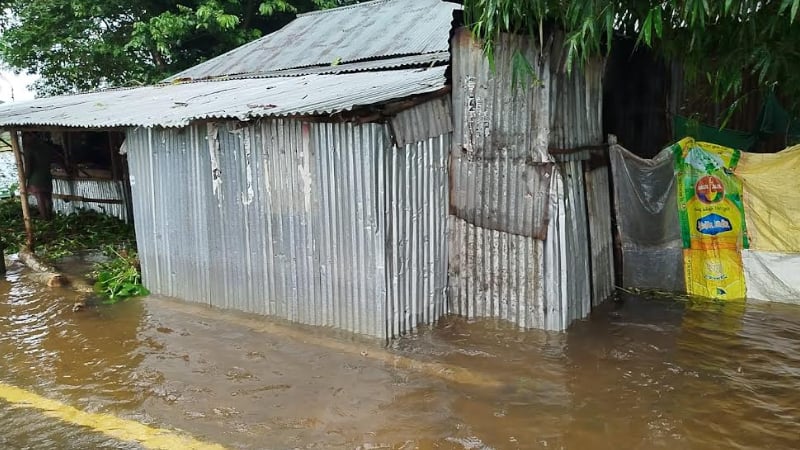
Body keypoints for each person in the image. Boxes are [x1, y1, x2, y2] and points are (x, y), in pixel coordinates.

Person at [21, 132, 55, 220]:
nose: (24, 139)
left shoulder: (29, 150)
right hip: (47, 177)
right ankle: (49, 217)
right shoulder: (46, 147)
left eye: (25, 137)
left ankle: (45, 219)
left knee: (40, 199)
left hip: (35, 178)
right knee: (48, 198)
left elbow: (28, 168)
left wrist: (24, 179)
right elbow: (58, 158)